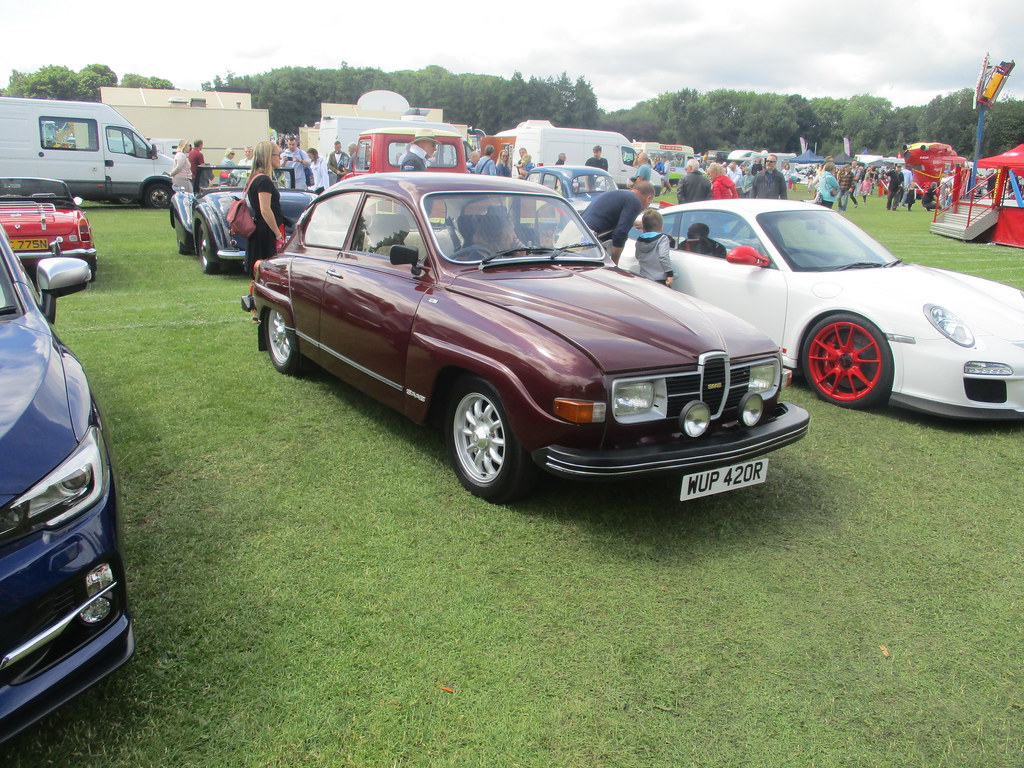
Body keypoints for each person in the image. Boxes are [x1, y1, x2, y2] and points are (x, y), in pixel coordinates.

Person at [582, 180, 655, 264]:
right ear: (648, 198)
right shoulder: (635, 202)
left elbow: (608, 218)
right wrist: (614, 262)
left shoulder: (620, 195)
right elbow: (620, 233)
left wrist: (634, 223)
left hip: (579, 232)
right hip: (589, 241)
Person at [245, 140, 285, 277]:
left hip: (260, 231)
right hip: (265, 233)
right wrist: (278, 234)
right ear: (269, 156)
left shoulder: (256, 177)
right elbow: (265, 210)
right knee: (268, 274)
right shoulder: (263, 180)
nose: (279, 157)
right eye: (277, 154)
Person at [633, 209, 674, 286]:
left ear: (643, 228)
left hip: (645, 278)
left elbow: (637, 256)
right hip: (660, 279)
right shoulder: (662, 238)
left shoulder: (639, 240)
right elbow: (663, 256)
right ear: (661, 227)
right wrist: (670, 274)